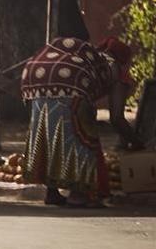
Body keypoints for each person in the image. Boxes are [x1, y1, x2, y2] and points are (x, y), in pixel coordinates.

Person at [21, 36, 143, 207]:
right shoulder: (118, 71)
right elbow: (116, 118)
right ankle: (78, 196)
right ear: (125, 60)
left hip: (36, 75)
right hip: (71, 82)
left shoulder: (93, 57)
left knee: (49, 133)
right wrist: (136, 143)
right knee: (81, 137)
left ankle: (52, 193)